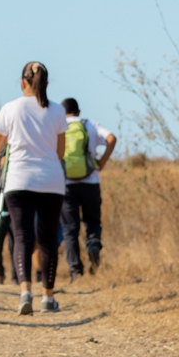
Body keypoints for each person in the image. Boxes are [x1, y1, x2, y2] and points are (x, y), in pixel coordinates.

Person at [0, 62, 67, 315]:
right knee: (47, 240)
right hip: (51, 182)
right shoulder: (57, 111)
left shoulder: (10, 108)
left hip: (19, 181)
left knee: (22, 237)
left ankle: (25, 293)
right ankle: (48, 297)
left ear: (22, 82)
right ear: (46, 84)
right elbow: (60, 152)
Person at [60, 97, 118, 278]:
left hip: (67, 184)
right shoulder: (90, 125)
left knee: (70, 229)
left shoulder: (59, 127)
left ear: (64, 113)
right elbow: (111, 138)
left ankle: (75, 271)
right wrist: (102, 162)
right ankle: (93, 245)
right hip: (91, 182)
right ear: (78, 111)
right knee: (92, 222)